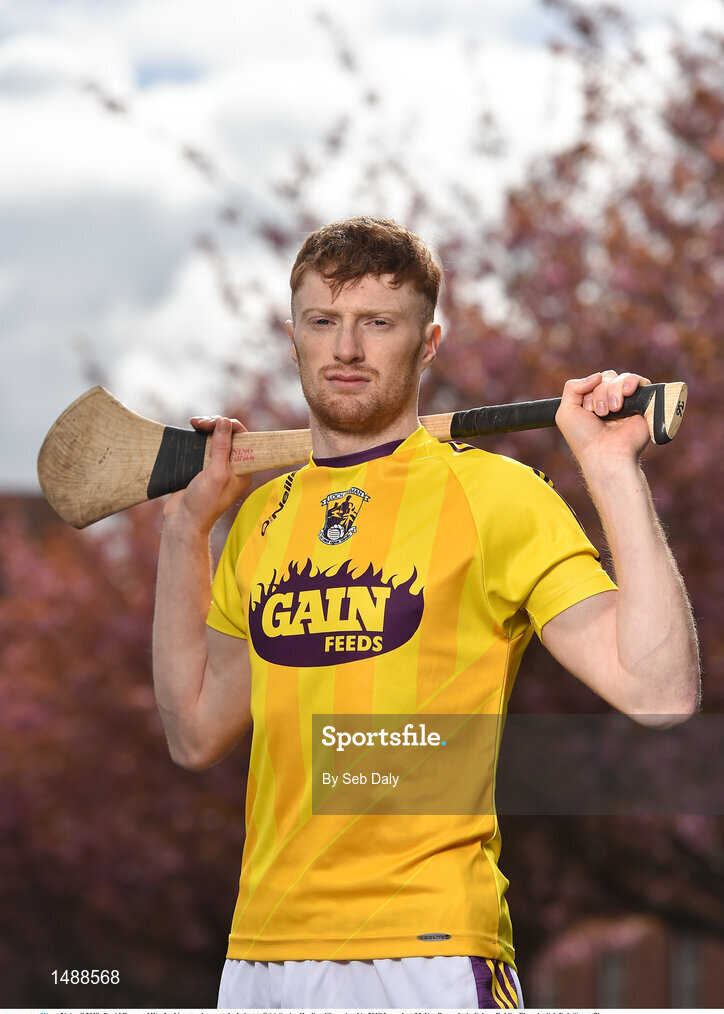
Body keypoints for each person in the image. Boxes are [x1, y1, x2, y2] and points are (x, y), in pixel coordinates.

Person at [152, 216, 700, 1009]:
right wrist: (185, 531)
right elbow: (194, 731)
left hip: (429, 951)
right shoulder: (261, 519)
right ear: (294, 333)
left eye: (377, 323)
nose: (346, 349)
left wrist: (611, 470)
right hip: (263, 954)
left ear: (429, 340)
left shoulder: (496, 497)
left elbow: (659, 692)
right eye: (323, 322)